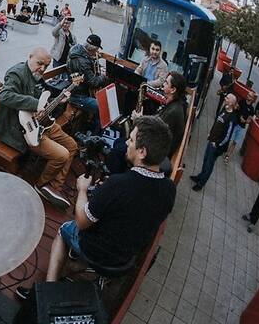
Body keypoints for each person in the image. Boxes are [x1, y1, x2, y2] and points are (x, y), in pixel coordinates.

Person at [43, 116, 175, 282]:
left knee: (64, 229)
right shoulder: (170, 189)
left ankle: (49, 287)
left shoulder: (118, 184)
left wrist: (82, 190)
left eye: (132, 140)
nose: (127, 142)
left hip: (98, 253)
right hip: (125, 260)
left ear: (142, 152)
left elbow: (81, 222)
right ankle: (76, 267)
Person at [0, 47, 78, 209]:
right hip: (20, 129)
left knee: (72, 146)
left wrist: (59, 102)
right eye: (39, 63)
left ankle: (55, 186)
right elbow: (4, 96)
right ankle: (41, 185)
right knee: (62, 155)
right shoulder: (17, 73)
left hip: (42, 124)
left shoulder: (38, 77)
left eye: (46, 65)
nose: (42, 68)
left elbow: (45, 107)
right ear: (29, 57)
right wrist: (36, 105)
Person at [190, 93, 238, 191]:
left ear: (232, 102)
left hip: (216, 146)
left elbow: (228, 136)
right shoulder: (224, 108)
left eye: (227, 98)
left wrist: (217, 144)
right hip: (212, 140)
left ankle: (201, 183)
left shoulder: (232, 118)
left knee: (209, 164)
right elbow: (217, 122)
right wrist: (210, 133)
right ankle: (200, 176)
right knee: (205, 159)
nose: (225, 98)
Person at [67, 35, 108, 132]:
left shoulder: (77, 49)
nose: (97, 52)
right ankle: (95, 134)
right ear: (94, 49)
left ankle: (91, 125)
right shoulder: (82, 62)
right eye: (97, 49)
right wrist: (103, 76)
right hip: (77, 95)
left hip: (79, 87)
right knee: (101, 107)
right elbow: (94, 82)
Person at [225, 92, 257, 162]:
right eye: (248, 95)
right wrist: (239, 116)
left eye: (250, 96)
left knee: (235, 142)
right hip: (235, 123)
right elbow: (236, 109)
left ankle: (227, 156)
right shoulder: (242, 101)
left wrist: (246, 121)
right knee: (229, 137)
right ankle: (224, 149)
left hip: (242, 126)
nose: (248, 96)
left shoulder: (251, 109)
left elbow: (249, 119)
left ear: (252, 99)